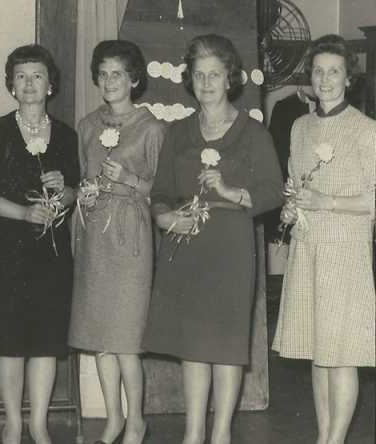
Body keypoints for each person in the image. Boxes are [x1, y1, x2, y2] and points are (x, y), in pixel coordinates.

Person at [142, 34, 283, 444]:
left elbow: (274, 191)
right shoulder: (180, 130)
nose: (206, 83)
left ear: (230, 79)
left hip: (230, 245)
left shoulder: (252, 132)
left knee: (224, 343)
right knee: (192, 344)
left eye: (215, 75)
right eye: (199, 75)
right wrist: (165, 218)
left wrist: (230, 191)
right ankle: (193, 433)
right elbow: (161, 191)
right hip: (186, 244)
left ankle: (219, 434)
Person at [0, 44, 79, 444]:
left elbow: (76, 191)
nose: (29, 84)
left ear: (51, 84)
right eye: (21, 76)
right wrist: (24, 213)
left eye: (37, 76)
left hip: (51, 255)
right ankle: (14, 423)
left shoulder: (67, 135)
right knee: (12, 341)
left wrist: (64, 191)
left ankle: (39, 424)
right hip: (7, 253)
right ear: (10, 85)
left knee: (46, 341)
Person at [272, 34, 376, 444]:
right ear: (310, 78)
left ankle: (334, 441)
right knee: (317, 351)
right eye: (319, 71)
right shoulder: (299, 127)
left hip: (346, 250)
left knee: (341, 353)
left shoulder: (367, 130)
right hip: (307, 247)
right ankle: (323, 437)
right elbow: (296, 185)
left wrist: (326, 200)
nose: (326, 79)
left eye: (334, 71)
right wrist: (292, 207)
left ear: (348, 78)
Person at [68, 39, 163, 444]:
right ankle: (113, 419)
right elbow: (82, 177)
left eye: (118, 74)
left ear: (134, 78)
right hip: (95, 236)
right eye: (103, 73)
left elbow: (162, 191)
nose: (109, 81)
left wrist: (128, 181)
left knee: (126, 338)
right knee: (100, 338)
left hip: (131, 237)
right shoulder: (88, 125)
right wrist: (84, 193)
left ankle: (136, 420)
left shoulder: (152, 128)